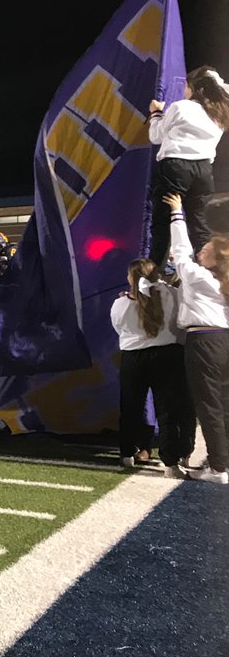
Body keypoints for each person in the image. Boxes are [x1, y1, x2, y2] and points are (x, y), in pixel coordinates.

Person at [163, 193, 229, 483]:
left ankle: (218, 467)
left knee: (209, 406)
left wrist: (177, 213)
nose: (200, 250)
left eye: (206, 249)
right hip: (223, 340)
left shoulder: (200, 278)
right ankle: (223, 462)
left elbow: (180, 250)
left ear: (215, 257)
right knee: (223, 405)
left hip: (204, 341)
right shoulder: (219, 281)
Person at [110, 258, 192, 479]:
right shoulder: (173, 295)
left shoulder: (121, 304)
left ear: (131, 278)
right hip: (168, 355)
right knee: (168, 411)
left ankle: (127, 453)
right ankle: (170, 463)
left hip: (133, 358)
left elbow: (119, 329)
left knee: (131, 407)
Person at [149, 67, 229, 266]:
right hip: (203, 171)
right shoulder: (219, 112)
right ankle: (211, 270)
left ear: (194, 88)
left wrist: (156, 113)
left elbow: (155, 136)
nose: (184, 89)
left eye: (186, 85)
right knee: (199, 224)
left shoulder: (181, 107)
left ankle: (153, 273)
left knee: (163, 221)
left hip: (176, 167)